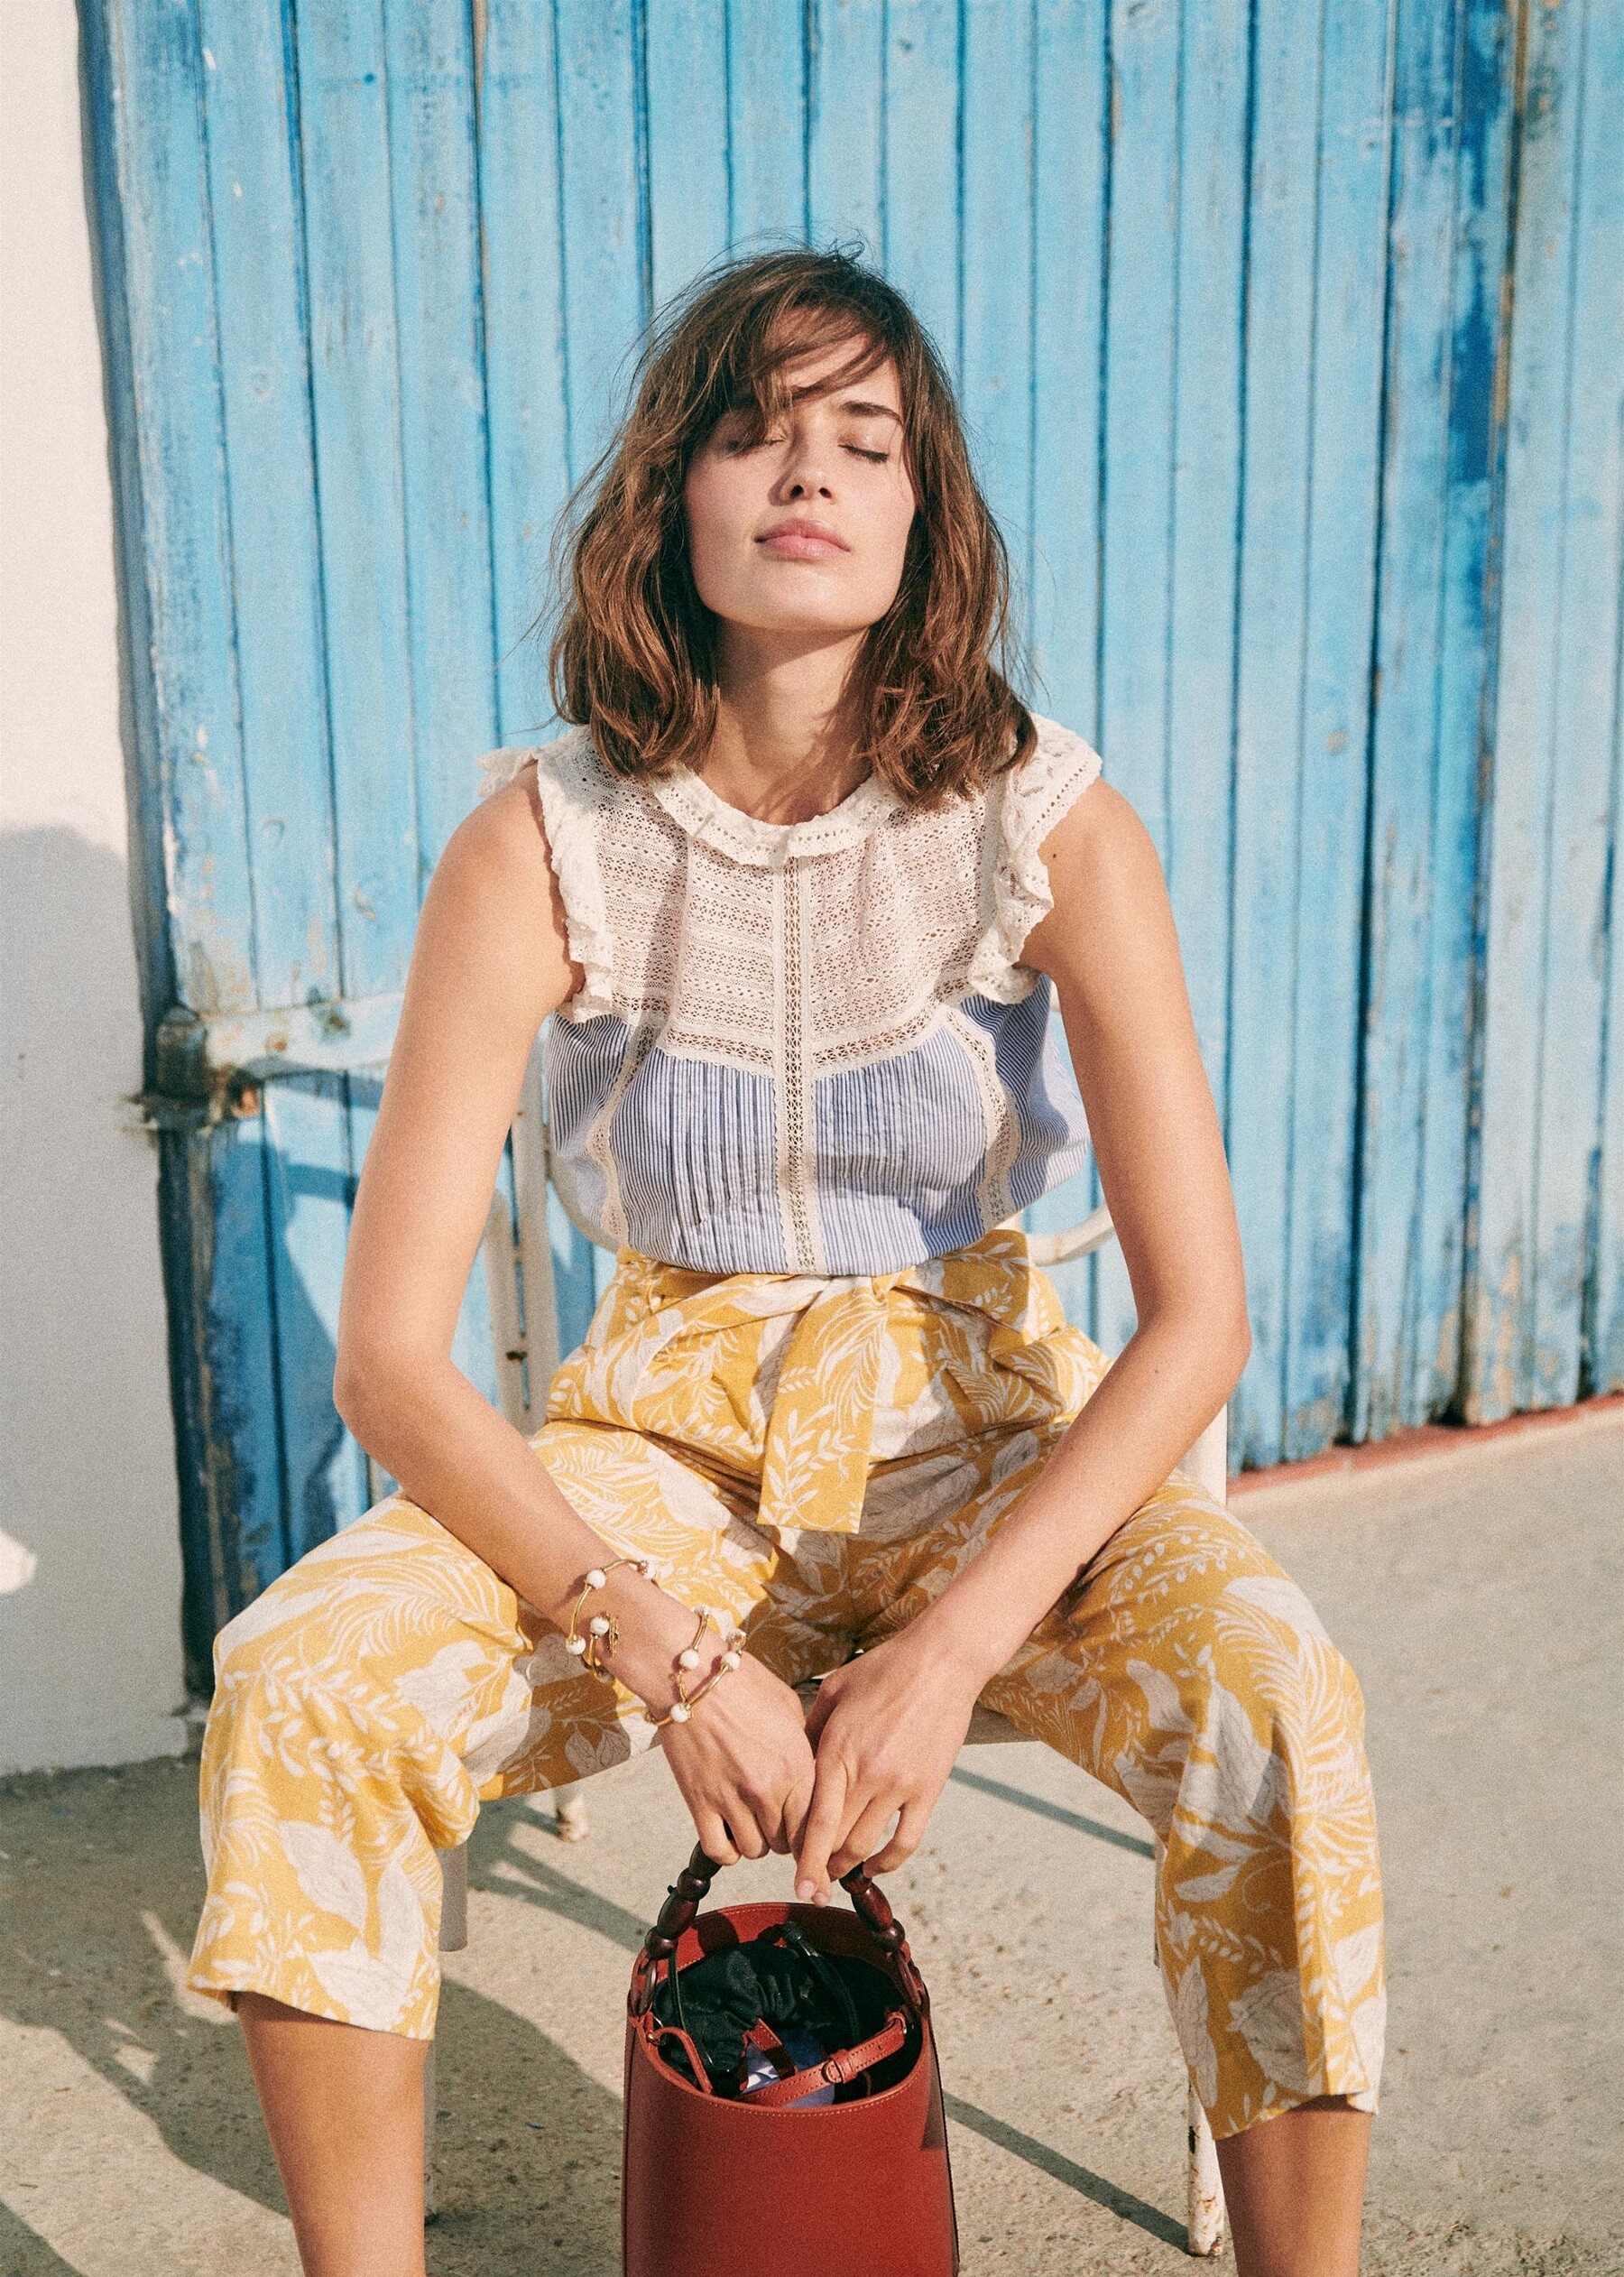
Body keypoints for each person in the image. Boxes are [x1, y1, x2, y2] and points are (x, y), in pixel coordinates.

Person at [185, 246, 1383, 2277]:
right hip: (659, 1461)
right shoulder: (542, 842)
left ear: (925, 515)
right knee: (302, 1678)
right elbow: (389, 1355)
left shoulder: (1053, 825)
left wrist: (953, 1650)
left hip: (990, 1446)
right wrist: (658, 1646)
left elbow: (1200, 1322)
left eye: (864, 439)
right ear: (675, 498)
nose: (809, 472)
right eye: (753, 430)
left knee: (1275, 1688)